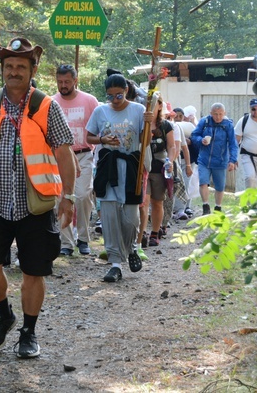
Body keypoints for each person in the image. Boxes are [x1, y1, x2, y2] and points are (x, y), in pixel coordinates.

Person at [0, 37, 76, 359]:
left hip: (35, 205)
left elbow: (64, 154)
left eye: (20, 67)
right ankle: (4, 315)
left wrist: (67, 196)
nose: (14, 72)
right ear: (3, 69)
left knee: (33, 272)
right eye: (9, 66)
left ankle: (28, 331)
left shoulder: (45, 106)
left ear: (32, 69)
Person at [87, 73, 152, 282]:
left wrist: (150, 124)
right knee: (109, 216)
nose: (115, 100)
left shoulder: (138, 110)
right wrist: (102, 139)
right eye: (111, 96)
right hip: (108, 167)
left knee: (130, 218)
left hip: (131, 167)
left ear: (126, 91)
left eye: (119, 96)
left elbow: (145, 141)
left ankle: (131, 247)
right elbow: (88, 136)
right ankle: (115, 263)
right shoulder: (100, 111)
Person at [52, 64, 99, 256]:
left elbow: (97, 128)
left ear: (75, 81)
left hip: (84, 154)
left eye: (67, 82)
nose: (63, 85)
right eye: (60, 82)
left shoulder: (89, 101)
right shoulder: (51, 102)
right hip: (59, 158)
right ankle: (66, 243)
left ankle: (83, 238)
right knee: (60, 198)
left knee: (81, 196)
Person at [191, 103, 238, 215]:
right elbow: (194, 135)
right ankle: (206, 206)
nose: (218, 117)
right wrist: (200, 140)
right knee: (203, 182)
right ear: (211, 113)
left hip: (220, 160)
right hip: (204, 159)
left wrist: (232, 160)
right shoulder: (205, 122)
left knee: (220, 186)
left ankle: (218, 207)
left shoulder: (228, 125)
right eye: (215, 114)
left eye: (220, 114)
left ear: (224, 113)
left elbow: (233, 144)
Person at [144, 98, 176, 247]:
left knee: (157, 202)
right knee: (143, 202)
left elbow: (171, 146)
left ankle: (155, 232)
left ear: (160, 106)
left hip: (158, 168)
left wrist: (170, 161)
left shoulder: (165, 126)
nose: (150, 106)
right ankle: (141, 233)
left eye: (154, 103)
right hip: (142, 168)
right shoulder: (141, 123)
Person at [172, 107, 196, 217]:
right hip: (173, 161)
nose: (177, 118)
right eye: (175, 116)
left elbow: (187, 148)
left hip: (186, 161)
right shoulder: (171, 127)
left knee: (186, 184)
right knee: (174, 185)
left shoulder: (188, 127)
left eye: (180, 116)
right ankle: (175, 209)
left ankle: (184, 208)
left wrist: (188, 165)